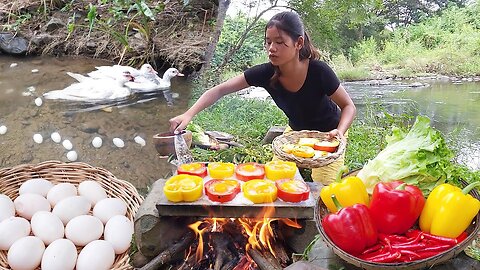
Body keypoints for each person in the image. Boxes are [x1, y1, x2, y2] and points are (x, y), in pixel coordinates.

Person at [169, 11, 356, 184]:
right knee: (275, 180)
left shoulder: (318, 71)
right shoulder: (265, 73)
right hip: (295, 134)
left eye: (280, 42)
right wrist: (188, 115)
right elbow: (218, 90)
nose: (271, 49)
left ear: (298, 43)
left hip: (330, 135)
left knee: (324, 189)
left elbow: (348, 106)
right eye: (268, 42)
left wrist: (339, 132)